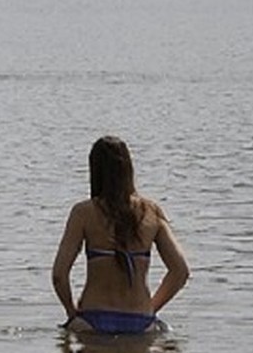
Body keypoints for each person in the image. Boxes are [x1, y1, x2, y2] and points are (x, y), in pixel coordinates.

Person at [51, 136, 189, 335]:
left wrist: (71, 313)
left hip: (93, 320)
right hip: (141, 321)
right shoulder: (151, 211)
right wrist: (151, 308)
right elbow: (180, 271)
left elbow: (59, 276)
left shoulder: (83, 213)